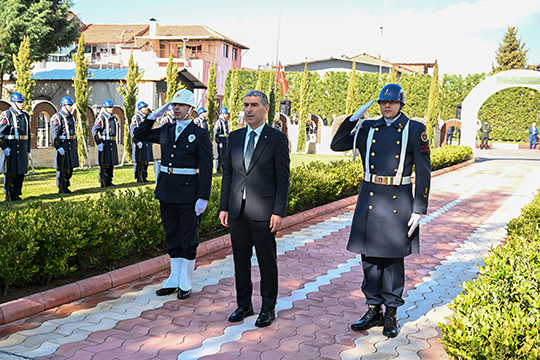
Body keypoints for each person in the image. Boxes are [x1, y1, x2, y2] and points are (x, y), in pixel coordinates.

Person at [331, 83, 431, 338]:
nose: (387, 106)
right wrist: (353, 118)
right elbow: (338, 144)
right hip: (370, 198)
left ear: (401, 105)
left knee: (393, 261)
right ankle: (373, 309)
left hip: (398, 202)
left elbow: (424, 171)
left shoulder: (414, 129)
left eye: (392, 102)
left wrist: (419, 208)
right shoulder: (368, 127)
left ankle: (391, 313)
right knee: (370, 260)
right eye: (383, 102)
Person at [219, 90, 290, 328]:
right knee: (240, 260)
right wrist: (224, 207)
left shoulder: (277, 139)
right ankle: (244, 305)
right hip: (237, 210)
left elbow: (283, 178)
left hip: (264, 213)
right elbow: (228, 174)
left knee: (266, 262)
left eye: (254, 105)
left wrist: (279, 211)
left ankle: (268, 308)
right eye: (246, 105)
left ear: (266, 109)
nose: (249, 110)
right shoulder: (235, 137)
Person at [134, 89, 213, 300]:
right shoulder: (166, 130)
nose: (176, 108)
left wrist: (203, 197)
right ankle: (174, 277)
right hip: (167, 191)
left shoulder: (201, 134)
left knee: (188, 237)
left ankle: (185, 281)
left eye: (181, 105)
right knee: (171, 236)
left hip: (189, 193)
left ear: (190, 109)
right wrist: (152, 117)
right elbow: (138, 136)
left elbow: (206, 168)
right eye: (174, 105)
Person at [0, 92, 31, 201]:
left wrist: (28, 149)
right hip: (11, 148)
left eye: (22, 102)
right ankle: (9, 193)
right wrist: (4, 147)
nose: (22, 104)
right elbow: (0, 133)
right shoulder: (7, 114)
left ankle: (17, 193)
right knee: (10, 172)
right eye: (19, 102)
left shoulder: (25, 116)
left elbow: (28, 135)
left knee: (20, 172)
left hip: (21, 148)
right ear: (13, 102)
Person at [51, 96, 79, 193]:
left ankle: (67, 185)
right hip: (63, 144)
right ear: (63, 105)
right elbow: (54, 134)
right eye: (69, 105)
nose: (71, 107)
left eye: (71, 105)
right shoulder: (57, 117)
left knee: (69, 167)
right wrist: (58, 146)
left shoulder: (72, 117)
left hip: (71, 144)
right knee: (62, 167)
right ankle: (61, 187)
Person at [92, 100, 119, 187]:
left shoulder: (114, 118)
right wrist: (99, 142)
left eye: (112, 107)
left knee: (111, 162)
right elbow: (94, 130)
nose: (111, 109)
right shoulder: (102, 118)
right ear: (105, 108)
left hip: (112, 141)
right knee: (104, 163)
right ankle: (103, 179)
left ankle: (109, 180)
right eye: (109, 107)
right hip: (105, 142)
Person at [130, 101, 154, 182]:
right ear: (140, 109)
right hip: (140, 142)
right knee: (139, 160)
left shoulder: (148, 117)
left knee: (146, 160)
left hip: (147, 141)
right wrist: (136, 141)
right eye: (145, 107)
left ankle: (144, 176)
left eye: (147, 107)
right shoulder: (136, 118)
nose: (146, 108)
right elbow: (132, 131)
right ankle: (138, 176)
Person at [214, 107, 230, 173]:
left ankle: (223, 168)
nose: (227, 115)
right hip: (220, 140)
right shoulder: (219, 122)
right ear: (222, 114)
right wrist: (218, 142)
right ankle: (218, 169)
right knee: (218, 155)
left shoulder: (225, 122)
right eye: (226, 114)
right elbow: (216, 133)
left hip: (225, 140)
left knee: (224, 155)